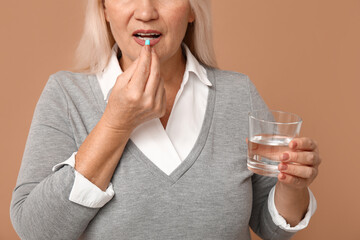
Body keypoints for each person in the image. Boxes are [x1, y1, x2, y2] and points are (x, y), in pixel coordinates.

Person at [10, 0, 321, 239]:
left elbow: (273, 229)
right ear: (103, 8)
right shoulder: (66, 95)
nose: (146, 12)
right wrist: (116, 123)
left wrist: (293, 186)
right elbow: (35, 231)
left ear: (191, 10)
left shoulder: (238, 93)